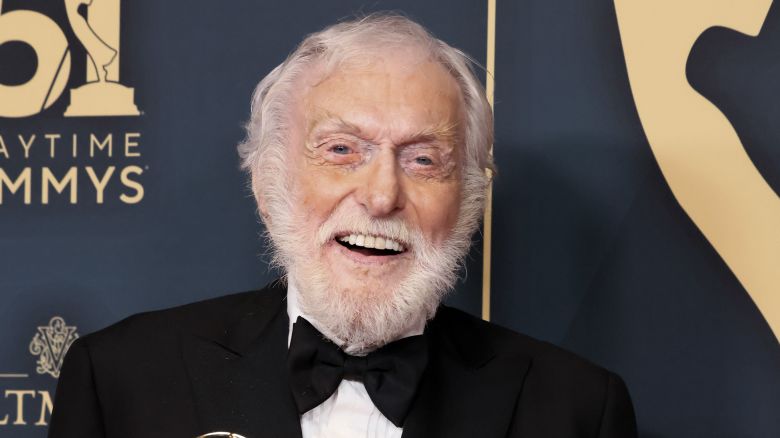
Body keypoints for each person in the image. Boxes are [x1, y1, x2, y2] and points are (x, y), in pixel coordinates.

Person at [49, 13, 637, 438]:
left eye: (424, 160)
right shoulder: (119, 380)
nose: (382, 196)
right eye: (340, 150)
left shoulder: (578, 411)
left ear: (469, 200)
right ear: (267, 182)